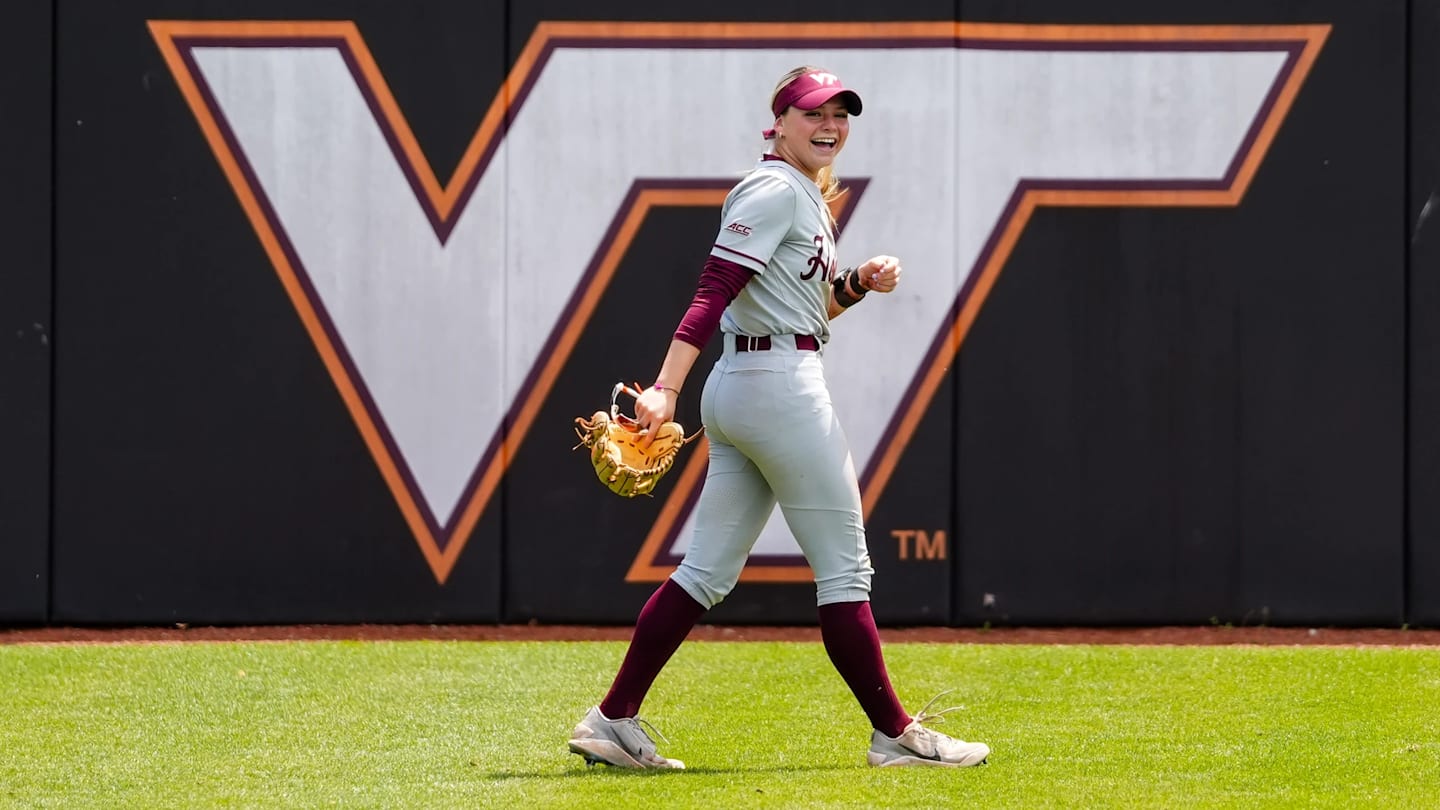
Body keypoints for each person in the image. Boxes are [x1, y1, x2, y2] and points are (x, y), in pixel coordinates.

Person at [567, 66, 990, 770]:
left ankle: (611, 720)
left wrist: (854, 284)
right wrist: (666, 388)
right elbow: (714, 289)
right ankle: (896, 735)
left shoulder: (799, 192)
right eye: (814, 113)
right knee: (845, 571)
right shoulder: (774, 188)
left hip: (747, 383)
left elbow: (801, 312)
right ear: (780, 121)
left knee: (705, 572)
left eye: (840, 115)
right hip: (778, 389)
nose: (830, 126)